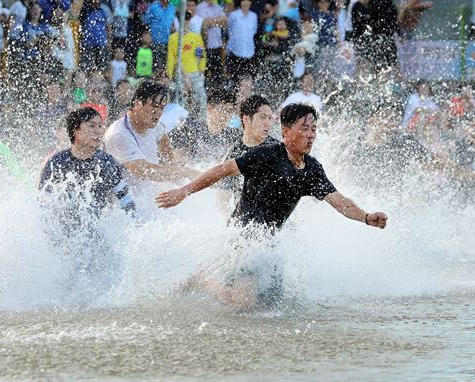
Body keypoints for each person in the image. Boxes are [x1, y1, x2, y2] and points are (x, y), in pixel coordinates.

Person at [155, 103, 388, 308]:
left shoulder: (312, 169)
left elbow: (341, 202)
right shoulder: (267, 154)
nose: (310, 135)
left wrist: (366, 217)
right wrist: (183, 192)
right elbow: (222, 170)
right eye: (304, 129)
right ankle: (202, 280)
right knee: (243, 303)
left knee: (272, 307)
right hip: (243, 239)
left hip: (269, 246)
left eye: (313, 129)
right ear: (286, 132)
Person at [39, 107, 136, 220]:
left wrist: (135, 226)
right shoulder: (57, 163)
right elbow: (43, 205)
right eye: (91, 125)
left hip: (97, 230)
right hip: (63, 231)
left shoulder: (107, 163)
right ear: (76, 130)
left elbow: (127, 201)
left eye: (100, 126)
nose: (98, 131)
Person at [103, 80, 199, 183]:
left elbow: (163, 140)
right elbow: (145, 171)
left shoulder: (154, 126)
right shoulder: (119, 134)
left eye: (162, 108)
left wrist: (173, 165)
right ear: (137, 103)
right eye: (154, 106)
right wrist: (184, 172)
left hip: (150, 192)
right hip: (126, 198)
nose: (158, 112)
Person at [220, 95, 279, 197]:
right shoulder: (234, 153)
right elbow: (223, 198)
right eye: (263, 117)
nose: (268, 123)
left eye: (270, 118)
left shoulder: (278, 150)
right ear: (246, 119)